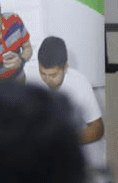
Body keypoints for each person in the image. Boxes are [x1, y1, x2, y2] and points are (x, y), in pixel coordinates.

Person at [37, 35, 105, 168]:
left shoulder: (79, 82)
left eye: (53, 75)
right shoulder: (31, 77)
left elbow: (98, 129)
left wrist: (65, 140)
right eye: (43, 73)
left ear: (65, 67)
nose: (47, 79)